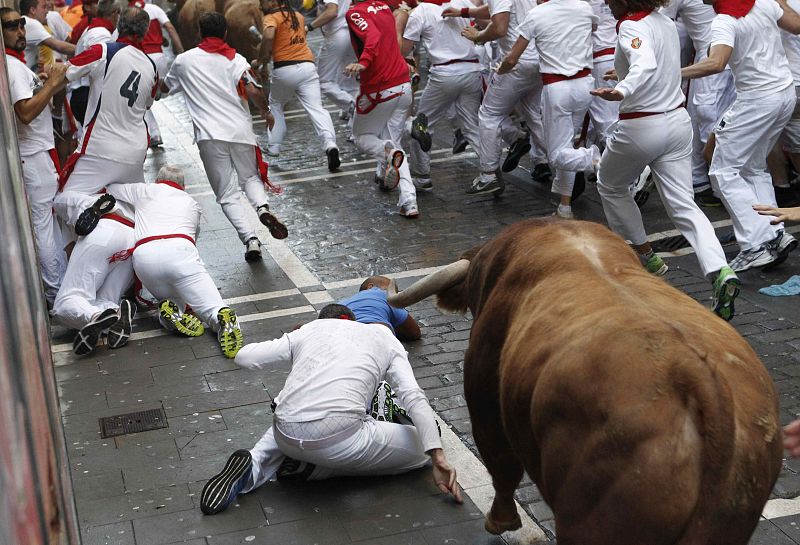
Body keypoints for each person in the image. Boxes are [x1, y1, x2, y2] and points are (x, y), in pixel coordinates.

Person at [199, 304, 462, 516]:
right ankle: (315, 470)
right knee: (420, 451)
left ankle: (252, 467)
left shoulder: (308, 331)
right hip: (339, 438)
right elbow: (413, 398)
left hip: (284, 431)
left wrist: (293, 343)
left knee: (293, 418)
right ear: (350, 318)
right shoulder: (381, 336)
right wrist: (437, 457)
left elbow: (244, 357)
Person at [592, 0, 742, 321]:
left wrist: (622, 88)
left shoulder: (631, 24)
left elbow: (644, 62)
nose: (605, 3)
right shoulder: (665, 21)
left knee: (610, 185)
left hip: (641, 125)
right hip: (676, 121)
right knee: (684, 205)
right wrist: (623, 71)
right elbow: (657, 63)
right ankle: (720, 269)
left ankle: (646, 254)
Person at [681, 0, 800, 272]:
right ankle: (774, 235)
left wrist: (670, 75)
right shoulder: (764, 4)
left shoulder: (724, 21)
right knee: (753, 167)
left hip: (757, 101)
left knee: (723, 171)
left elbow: (716, 62)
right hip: (783, 94)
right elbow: (797, 25)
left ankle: (756, 245)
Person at [163, 11, 288, 263]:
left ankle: (250, 240)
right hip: (240, 131)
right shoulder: (237, 60)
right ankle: (262, 207)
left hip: (209, 137)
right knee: (250, 177)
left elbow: (164, 88)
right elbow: (253, 90)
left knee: (226, 194)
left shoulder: (184, 61)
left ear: (199, 32)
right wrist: (265, 112)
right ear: (226, 33)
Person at [100, 166, 245, 358]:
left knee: (170, 300)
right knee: (211, 307)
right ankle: (223, 319)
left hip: (144, 257)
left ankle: (172, 312)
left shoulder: (145, 190)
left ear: (157, 181)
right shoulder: (192, 203)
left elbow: (110, 188)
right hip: (180, 251)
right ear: (183, 186)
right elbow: (194, 238)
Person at [55, 6, 157, 236]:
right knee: (133, 212)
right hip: (134, 153)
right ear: (144, 33)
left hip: (100, 149)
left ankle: (100, 209)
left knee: (64, 200)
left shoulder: (104, 51)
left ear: (119, 24)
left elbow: (65, 71)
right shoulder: (151, 66)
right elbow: (149, 102)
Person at [498, 0, 600, 220]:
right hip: (584, 85)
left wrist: (500, 71)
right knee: (567, 147)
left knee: (556, 156)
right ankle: (565, 208)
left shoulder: (537, 14)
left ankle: (599, 162)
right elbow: (593, 29)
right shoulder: (584, 8)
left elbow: (513, 57)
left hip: (557, 88)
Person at [443, 0, 546, 196]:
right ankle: (562, 162)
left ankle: (488, 175)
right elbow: (496, 11)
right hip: (539, 58)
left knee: (489, 114)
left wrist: (479, 36)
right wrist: (464, 12)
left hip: (517, 61)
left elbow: (499, 26)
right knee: (534, 116)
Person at [3, 6, 68, 306]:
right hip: (34, 158)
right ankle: (57, 296)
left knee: (50, 227)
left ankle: (62, 291)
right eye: (11, 26)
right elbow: (26, 112)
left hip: (39, 155)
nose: (20, 31)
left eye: (21, 24)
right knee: (44, 228)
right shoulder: (12, 68)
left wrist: (49, 87)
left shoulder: (16, 66)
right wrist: (52, 84)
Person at [345, 0, 420, 218]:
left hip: (380, 88)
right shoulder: (383, 7)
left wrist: (364, 63)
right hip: (403, 85)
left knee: (361, 137)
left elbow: (373, 37)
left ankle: (388, 153)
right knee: (394, 146)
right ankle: (409, 200)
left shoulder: (355, 13)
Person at [399, 0, 483, 193]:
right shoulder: (463, 2)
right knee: (471, 125)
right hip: (472, 69)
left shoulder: (421, 11)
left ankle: (421, 175)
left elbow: (404, 48)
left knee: (421, 125)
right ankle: (490, 170)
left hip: (444, 73)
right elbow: (485, 24)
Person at [660, 0, 735, 207]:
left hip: (736, 59)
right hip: (710, 59)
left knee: (716, 121)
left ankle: (714, 185)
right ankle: (716, 187)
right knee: (708, 121)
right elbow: (663, 24)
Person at [254, 0, 340, 171]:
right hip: (307, 67)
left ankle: (274, 146)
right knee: (317, 108)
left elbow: (270, 36)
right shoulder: (298, 16)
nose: (260, 6)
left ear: (272, 2)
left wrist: (260, 60)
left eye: (262, 2)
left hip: (285, 69)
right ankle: (330, 144)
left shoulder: (271, 17)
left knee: (276, 105)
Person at [52, 203, 136, 356]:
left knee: (66, 301)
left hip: (103, 231)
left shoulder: (66, 194)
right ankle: (117, 313)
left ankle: (94, 316)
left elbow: (67, 246)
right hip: (133, 238)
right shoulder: (128, 188)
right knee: (103, 299)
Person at [128, 0, 184, 148]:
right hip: (159, 59)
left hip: (141, 59)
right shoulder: (154, 8)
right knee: (157, 92)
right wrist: (181, 52)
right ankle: (157, 90)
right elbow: (170, 28)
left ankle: (154, 133)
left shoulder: (127, 14)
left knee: (141, 99)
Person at [303, 0, 358, 121]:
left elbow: (332, 11)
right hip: (351, 31)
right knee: (348, 81)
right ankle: (355, 128)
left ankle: (353, 105)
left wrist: (309, 27)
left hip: (338, 34)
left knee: (325, 82)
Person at [339, 275, 421, 341]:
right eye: (391, 290)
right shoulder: (384, 295)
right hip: (374, 332)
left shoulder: (341, 302)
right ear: (370, 286)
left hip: (340, 335)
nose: (392, 294)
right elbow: (414, 332)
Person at [19, 0, 75, 71]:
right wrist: (84, 49)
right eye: (44, 7)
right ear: (32, 10)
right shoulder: (31, 23)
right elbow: (59, 47)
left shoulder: (26, 22)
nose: (47, 11)